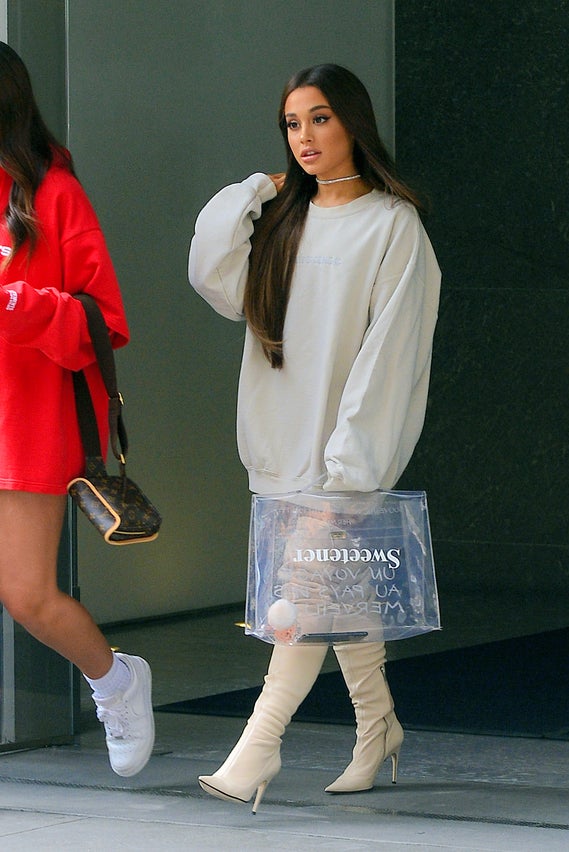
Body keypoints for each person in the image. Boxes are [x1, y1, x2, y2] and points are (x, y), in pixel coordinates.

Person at [188, 63, 441, 811]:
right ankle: (379, 726)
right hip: (275, 449)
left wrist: (351, 469)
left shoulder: (395, 226)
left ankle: (255, 752)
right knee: (338, 595)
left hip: (341, 460)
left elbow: (389, 359)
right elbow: (212, 273)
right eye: (293, 123)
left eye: (321, 119)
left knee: (295, 605)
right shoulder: (282, 220)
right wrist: (251, 193)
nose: (305, 137)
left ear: (354, 123)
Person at [0, 42, 154, 777]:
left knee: (27, 595)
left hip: (24, 420)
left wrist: (14, 304)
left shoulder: (53, 193)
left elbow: (103, 320)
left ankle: (117, 682)